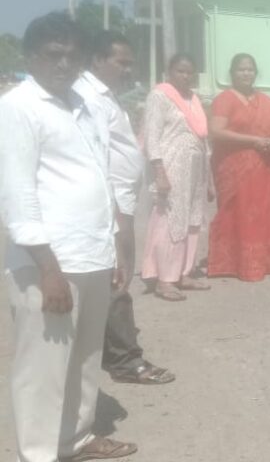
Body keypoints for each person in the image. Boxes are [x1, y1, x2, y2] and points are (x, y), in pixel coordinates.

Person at [0, 13, 137, 462]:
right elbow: (18, 194)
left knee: (85, 357)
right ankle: (37, 454)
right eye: (53, 54)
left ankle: (75, 439)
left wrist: (113, 246)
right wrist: (48, 269)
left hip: (92, 253)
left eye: (73, 56)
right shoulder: (18, 107)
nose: (64, 64)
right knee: (42, 369)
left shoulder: (82, 102)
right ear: (30, 57)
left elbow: (99, 172)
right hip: (49, 263)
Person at [73, 31, 175, 384]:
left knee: (113, 278)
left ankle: (113, 350)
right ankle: (126, 360)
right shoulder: (89, 98)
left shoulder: (105, 96)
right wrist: (118, 213)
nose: (128, 69)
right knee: (117, 278)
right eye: (122, 62)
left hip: (119, 201)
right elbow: (96, 157)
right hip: (110, 205)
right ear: (97, 60)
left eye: (131, 63)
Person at [208, 53, 270, 282]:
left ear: (255, 73)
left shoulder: (268, 103)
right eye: (241, 69)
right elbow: (216, 132)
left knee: (261, 214)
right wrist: (253, 141)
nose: (246, 73)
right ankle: (232, 263)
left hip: (262, 167)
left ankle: (258, 262)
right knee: (235, 214)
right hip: (233, 167)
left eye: (249, 69)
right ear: (232, 73)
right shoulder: (225, 99)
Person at [141, 53, 213, 301]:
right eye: (180, 71)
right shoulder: (159, 96)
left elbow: (203, 138)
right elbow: (151, 136)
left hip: (195, 169)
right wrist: (159, 172)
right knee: (171, 220)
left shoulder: (193, 98)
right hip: (172, 167)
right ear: (169, 72)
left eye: (190, 72)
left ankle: (183, 272)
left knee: (192, 219)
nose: (186, 76)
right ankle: (164, 279)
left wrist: (209, 179)